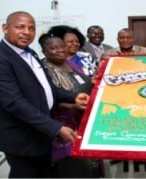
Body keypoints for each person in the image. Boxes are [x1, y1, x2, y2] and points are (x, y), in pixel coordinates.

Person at [0, 11, 89, 178]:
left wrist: (73, 97)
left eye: (31, 28)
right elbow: (14, 103)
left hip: (41, 132)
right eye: (20, 27)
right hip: (20, 137)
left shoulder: (30, 53)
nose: (26, 32)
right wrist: (56, 128)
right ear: (5, 28)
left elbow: (46, 86)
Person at [38, 33, 102, 178]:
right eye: (53, 48)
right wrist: (72, 107)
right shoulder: (44, 70)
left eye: (62, 46)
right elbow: (49, 97)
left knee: (91, 164)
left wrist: (92, 82)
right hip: (65, 125)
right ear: (44, 52)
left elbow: (82, 84)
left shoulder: (71, 63)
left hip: (85, 119)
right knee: (74, 166)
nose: (60, 50)